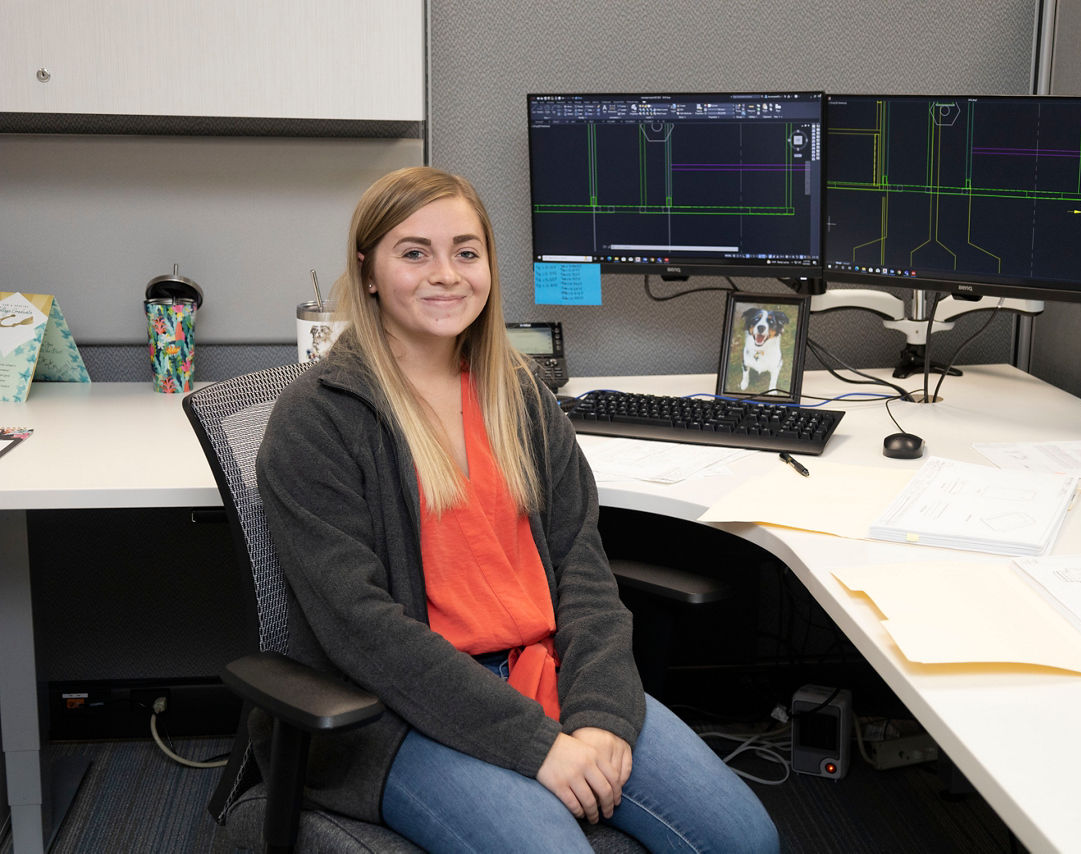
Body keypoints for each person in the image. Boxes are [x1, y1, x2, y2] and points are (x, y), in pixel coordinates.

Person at [256, 165, 779, 853]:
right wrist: (539, 747)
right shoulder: (318, 420)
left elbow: (582, 569)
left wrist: (600, 719)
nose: (446, 274)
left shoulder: (520, 396)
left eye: (466, 252)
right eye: (415, 253)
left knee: (747, 840)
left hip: (547, 672)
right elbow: (363, 632)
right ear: (370, 271)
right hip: (401, 713)